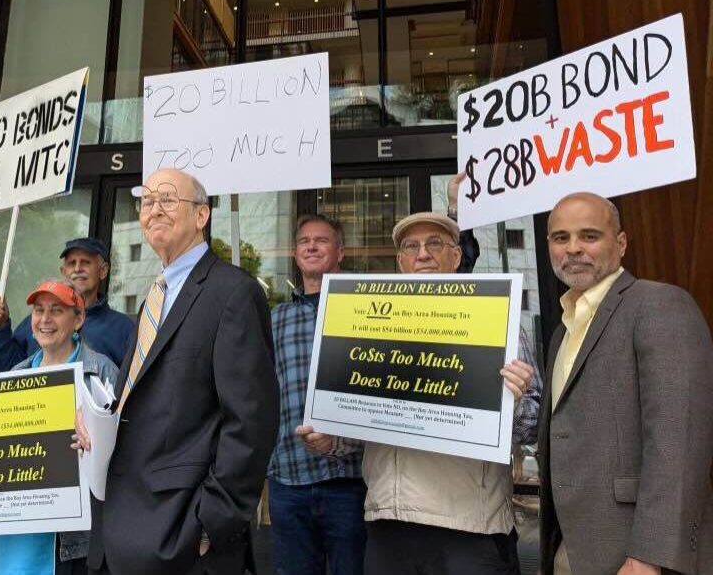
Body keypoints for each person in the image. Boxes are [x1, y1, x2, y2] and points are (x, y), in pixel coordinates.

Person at [301, 211, 539, 574]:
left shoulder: (496, 317)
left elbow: (532, 427)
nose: (422, 254)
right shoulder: (370, 323)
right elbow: (365, 427)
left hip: (470, 529)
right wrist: (330, 439)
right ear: (400, 262)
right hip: (389, 523)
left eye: (434, 244)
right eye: (411, 246)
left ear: (457, 257)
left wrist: (516, 400)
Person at [75, 168, 279, 575]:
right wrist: (98, 422)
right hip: (118, 530)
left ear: (201, 215)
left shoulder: (233, 292)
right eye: (146, 201)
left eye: (167, 199)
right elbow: (142, 400)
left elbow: (251, 421)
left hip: (182, 539)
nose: (154, 210)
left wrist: (212, 522)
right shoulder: (154, 296)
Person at [538, 192, 713, 575]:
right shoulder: (562, 331)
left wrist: (650, 556)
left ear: (620, 244)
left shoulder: (659, 305)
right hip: (572, 551)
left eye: (589, 236)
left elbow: (678, 441)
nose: (573, 249)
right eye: (561, 238)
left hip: (636, 557)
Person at [0, 278, 117, 575]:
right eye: (39, 311)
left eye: (57, 310)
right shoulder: (16, 374)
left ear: (78, 320)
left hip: (66, 540)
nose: (45, 320)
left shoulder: (102, 372)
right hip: (14, 532)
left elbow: (122, 454)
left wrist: (95, 446)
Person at [267, 214, 366, 575]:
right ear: (295, 254)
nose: (311, 246)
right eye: (304, 241)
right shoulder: (274, 318)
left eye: (322, 240)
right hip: (287, 477)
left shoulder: (362, 308)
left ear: (340, 252)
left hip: (349, 480)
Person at [0, 238, 134, 371]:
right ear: (63, 271)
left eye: (85, 262)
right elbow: (7, 376)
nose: (77, 269)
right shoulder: (38, 322)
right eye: (71, 263)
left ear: (103, 271)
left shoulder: (123, 329)